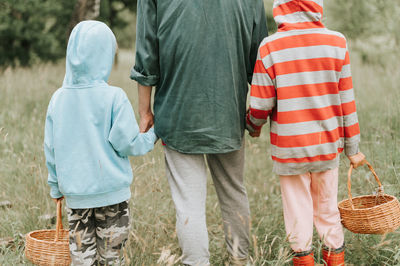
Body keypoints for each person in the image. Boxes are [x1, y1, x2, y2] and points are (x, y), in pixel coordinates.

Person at [131, 1, 268, 265]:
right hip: (228, 110)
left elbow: (146, 51)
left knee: (188, 200)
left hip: (177, 111)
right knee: (233, 190)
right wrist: (258, 114)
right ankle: (239, 260)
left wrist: (145, 111)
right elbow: (259, 55)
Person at [246, 0, 366, 265]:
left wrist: (253, 127)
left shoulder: (269, 46)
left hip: (289, 149)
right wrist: (353, 149)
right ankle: (335, 259)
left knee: (297, 212)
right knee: (327, 209)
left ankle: (303, 259)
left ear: (280, 7)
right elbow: (347, 101)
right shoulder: (337, 42)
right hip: (326, 146)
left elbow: (260, 105)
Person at [44, 20, 157, 265]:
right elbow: (128, 143)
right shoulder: (113, 97)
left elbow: (50, 149)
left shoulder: (58, 99)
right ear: (104, 57)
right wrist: (153, 134)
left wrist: (55, 187)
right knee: (111, 258)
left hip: (76, 198)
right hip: (112, 198)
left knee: (81, 258)